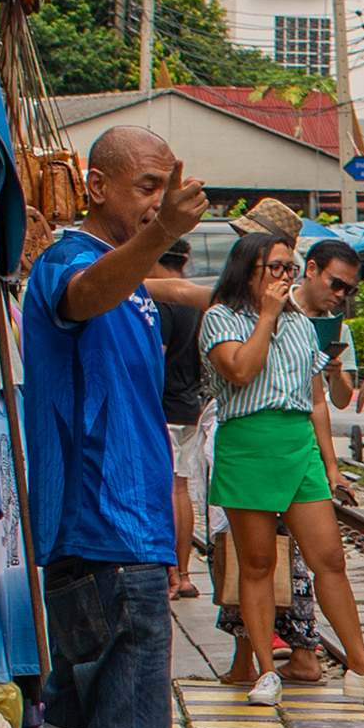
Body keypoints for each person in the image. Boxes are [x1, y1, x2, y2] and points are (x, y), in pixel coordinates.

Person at [2, 127, 211, 728]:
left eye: (166, 187)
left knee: (69, 724)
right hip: (104, 528)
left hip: (112, 530)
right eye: (146, 186)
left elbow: (150, 290)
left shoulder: (131, 282)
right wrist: (160, 237)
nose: (157, 201)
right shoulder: (70, 265)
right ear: (97, 185)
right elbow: (82, 295)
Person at [199, 228, 364, 708]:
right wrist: (268, 316)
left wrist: (330, 463)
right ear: (248, 269)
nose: (283, 277)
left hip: (296, 441)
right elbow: (240, 370)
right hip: (248, 442)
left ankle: (361, 666)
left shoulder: (301, 324)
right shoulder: (221, 317)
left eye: (288, 269)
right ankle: (264, 668)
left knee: (329, 558)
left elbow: (317, 396)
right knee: (257, 564)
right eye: (274, 268)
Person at [155, 239, 208, 599]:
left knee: (168, 490)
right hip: (190, 406)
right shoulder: (193, 302)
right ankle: (185, 573)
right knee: (182, 489)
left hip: (164, 407)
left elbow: (153, 362)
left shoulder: (161, 302)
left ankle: (171, 573)